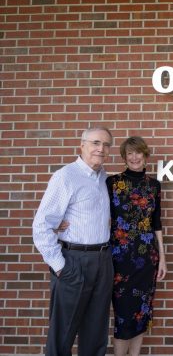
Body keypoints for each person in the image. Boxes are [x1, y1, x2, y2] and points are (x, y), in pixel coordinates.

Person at [32, 126, 114, 356]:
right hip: (73, 261)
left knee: (96, 331)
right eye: (96, 143)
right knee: (63, 332)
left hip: (103, 261)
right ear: (82, 145)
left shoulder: (103, 178)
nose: (101, 149)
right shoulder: (65, 176)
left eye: (106, 145)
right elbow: (41, 226)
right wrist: (60, 267)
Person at [106, 136, 166, 356]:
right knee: (123, 314)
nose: (134, 157)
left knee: (142, 311)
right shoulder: (112, 183)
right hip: (119, 258)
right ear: (124, 157)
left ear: (145, 154)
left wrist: (162, 257)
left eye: (137, 152)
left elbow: (156, 222)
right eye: (129, 154)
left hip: (147, 258)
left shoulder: (154, 185)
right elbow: (100, 216)